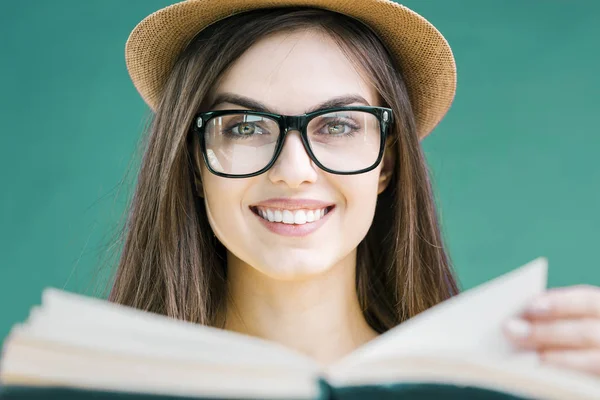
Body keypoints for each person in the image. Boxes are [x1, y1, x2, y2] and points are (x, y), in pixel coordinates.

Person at [110, 0, 600, 374]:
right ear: (195, 163)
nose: (293, 170)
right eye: (244, 126)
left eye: (339, 125)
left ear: (386, 162)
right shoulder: (96, 381)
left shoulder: (494, 384)